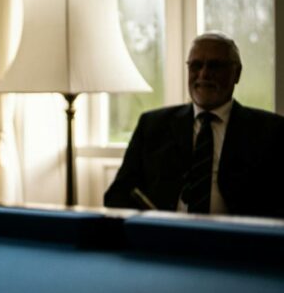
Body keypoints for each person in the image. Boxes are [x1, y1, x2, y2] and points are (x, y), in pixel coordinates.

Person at [104, 32, 284, 218]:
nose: (204, 74)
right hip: (165, 238)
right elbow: (117, 196)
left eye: (215, 66)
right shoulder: (152, 126)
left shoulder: (270, 131)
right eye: (196, 66)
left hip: (237, 240)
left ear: (236, 73)